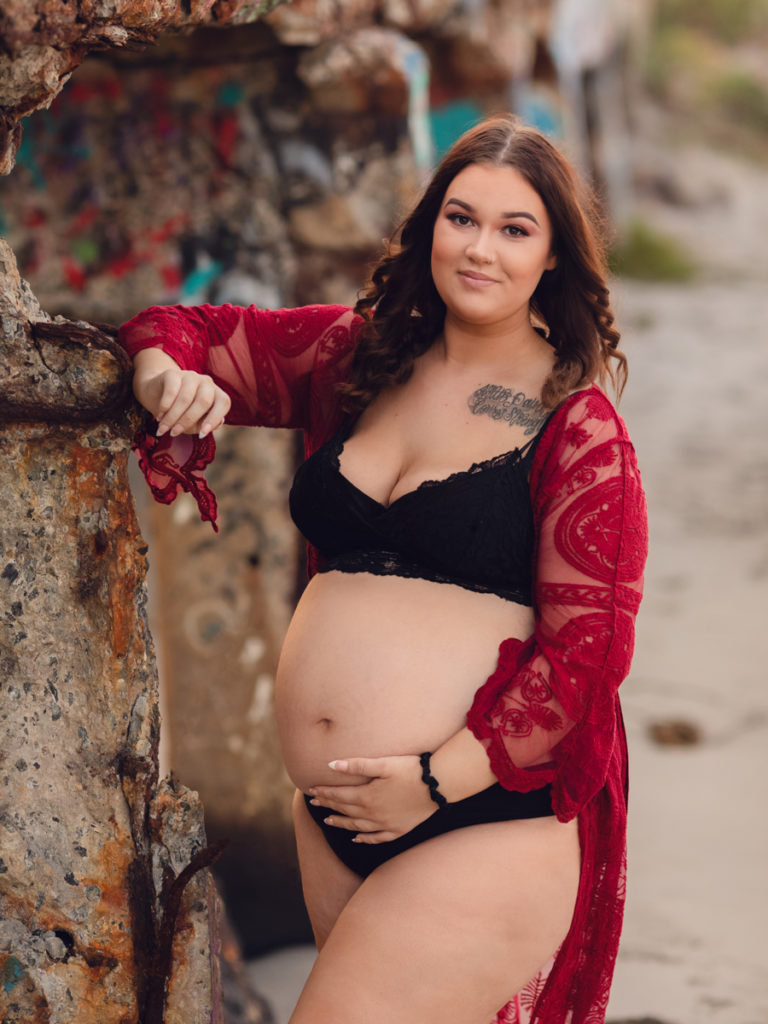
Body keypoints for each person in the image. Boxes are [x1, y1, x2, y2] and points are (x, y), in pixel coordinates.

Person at [119, 114, 648, 1024]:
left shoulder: (579, 430)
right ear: (430, 225)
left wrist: (436, 781)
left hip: (479, 814)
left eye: (515, 229)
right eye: (460, 217)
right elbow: (190, 326)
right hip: (334, 817)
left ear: (554, 257)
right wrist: (167, 375)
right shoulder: (354, 360)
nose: (479, 249)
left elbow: (586, 660)